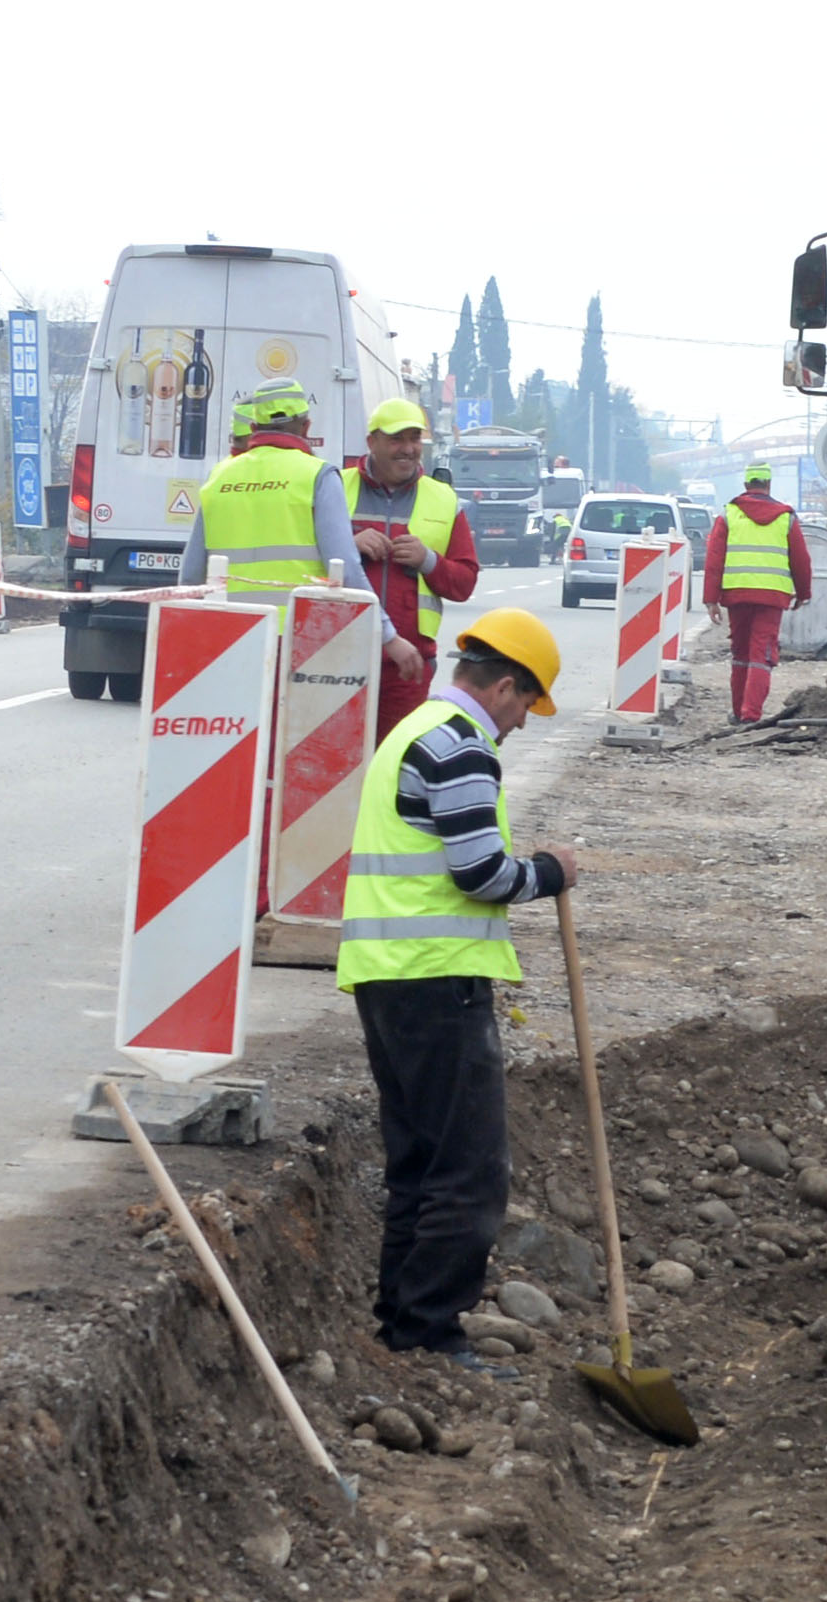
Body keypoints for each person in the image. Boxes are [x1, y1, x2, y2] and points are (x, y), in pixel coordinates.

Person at [339, 605, 576, 1364]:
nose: (521, 726)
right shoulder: (461, 748)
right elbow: (482, 875)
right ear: (504, 687)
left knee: (418, 1163)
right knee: (470, 1173)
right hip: (438, 983)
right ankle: (430, 1332)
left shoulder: (410, 732)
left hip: (388, 980)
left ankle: (402, 1326)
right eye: (525, 707)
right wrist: (551, 872)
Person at [348, 396, 484, 728]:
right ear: (372, 442)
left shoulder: (443, 499)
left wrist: (428, 560)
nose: (408, 449)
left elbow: (465, 583)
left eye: (414, 439)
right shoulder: (336, 487)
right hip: (339, 656)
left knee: (395, 762)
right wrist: (350, 546)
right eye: (396, 439)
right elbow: (306, 565)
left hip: (408, 663)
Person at [181, 381, 356, 609]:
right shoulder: (318, 475)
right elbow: (346, 570)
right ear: (306, 427)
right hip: (300, 632)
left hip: (230, 633)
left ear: (253, 428)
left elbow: (191, 576)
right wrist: (386, 635)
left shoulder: (219, 476)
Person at [702, 458, 812, 724]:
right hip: (772, 597)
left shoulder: (729, 514)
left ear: (746, 484)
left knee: (740, 653)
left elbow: (714, 559)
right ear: (769, 484)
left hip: (737, 595)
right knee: (761, 655)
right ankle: (751, 715)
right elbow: (801, 559)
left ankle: (739, 712)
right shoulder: (786, 518)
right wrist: (803, 592)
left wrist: (710, 600)